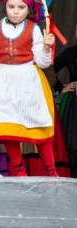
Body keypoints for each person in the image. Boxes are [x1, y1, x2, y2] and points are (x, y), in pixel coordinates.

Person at [0, 0, 57, 177]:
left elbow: (42, 62)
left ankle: (51, 172)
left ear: (29, 9)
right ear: (5, 6)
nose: (16, 11)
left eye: (21, 7)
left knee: (38, 124)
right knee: (7, 125)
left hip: (28, 80)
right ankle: (19, 172)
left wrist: (47, 47)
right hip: (1, 81)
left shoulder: (33, 29)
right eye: (11, 6)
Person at [55, 23, 77, 176]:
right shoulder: (70, 53)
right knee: (73, 143)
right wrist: (61, 87)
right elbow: (49, 67)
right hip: (74, 105)